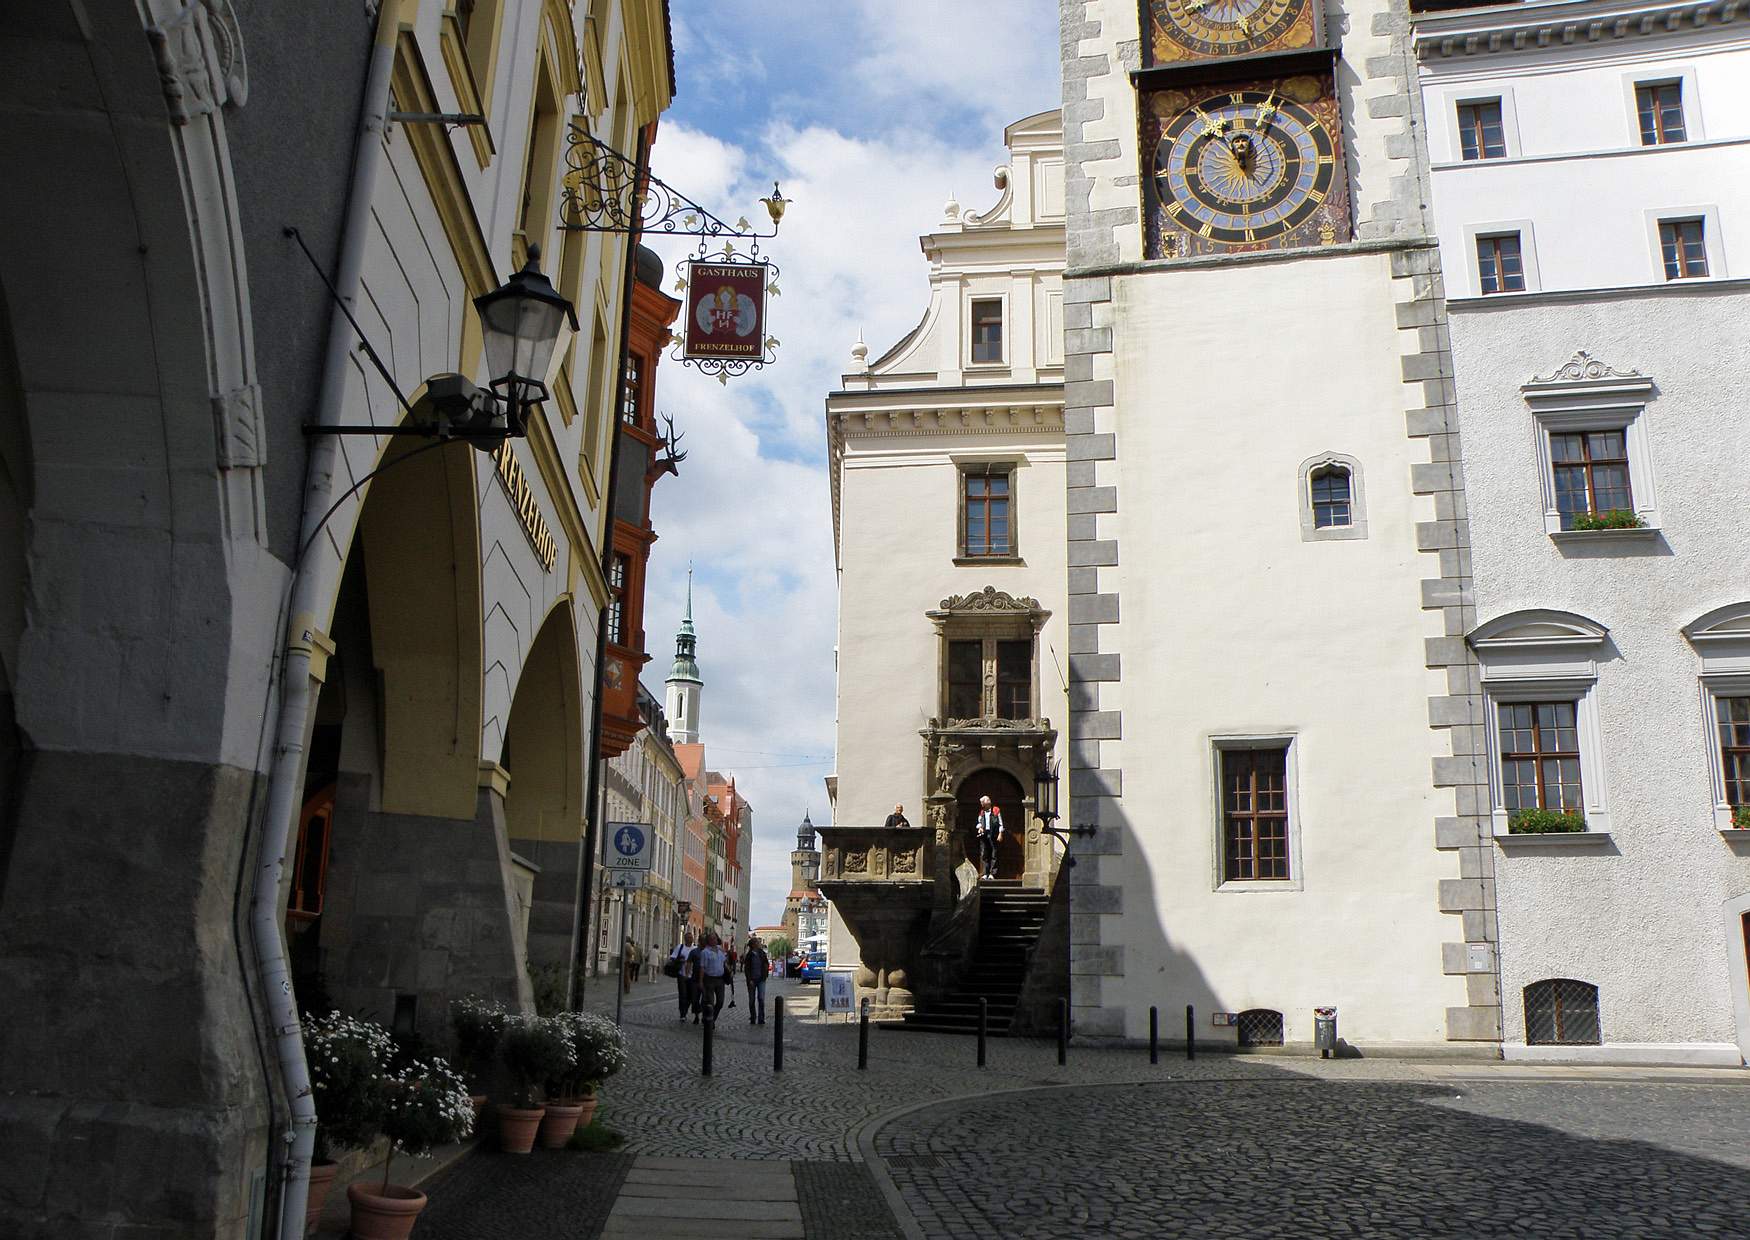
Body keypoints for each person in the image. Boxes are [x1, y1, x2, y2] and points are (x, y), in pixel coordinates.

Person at [697, 933, 727, 1022]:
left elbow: (724, 963)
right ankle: (709, 1020)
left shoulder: (721, 950)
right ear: (708, 941)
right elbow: (702, 968)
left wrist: (729, 971)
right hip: (709, 979)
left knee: (720, 1002)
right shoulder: (705, 952)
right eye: (712, 939)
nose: (714, 940)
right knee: (710, 1001)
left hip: (720, 979)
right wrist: (701, 981)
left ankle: (712, 1018)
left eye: (715, 939)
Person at [974, 795, 1004, 879]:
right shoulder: (982, 812)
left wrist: (1000, 834)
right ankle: (984, 873)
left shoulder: (996, 810)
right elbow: (979, 822)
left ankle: (992, 873)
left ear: (988, 803)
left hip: (993, 834)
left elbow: (1000, 823)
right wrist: (980, 828)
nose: (982, 805)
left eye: (983, 803)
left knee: (994, 853)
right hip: (984, 835)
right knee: (984, 854)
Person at [744, 935, 770, 1025]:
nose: (759, 944)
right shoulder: (749, 955)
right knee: (751, 1000)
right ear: (754, 944)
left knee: (761, 999)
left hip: (761, 979)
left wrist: (765, 973)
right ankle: (753, 1017)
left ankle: (761, 1018)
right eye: (758, 942)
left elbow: (766, 963)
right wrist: (749, 979)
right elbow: (746, 969)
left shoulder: (762, 953)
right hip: (752, 980)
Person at [670, 936, 694, 1020]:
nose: (690, 939)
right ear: (685, 939)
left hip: (692, 976)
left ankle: (685, 1009)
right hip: (681, 974)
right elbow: (672, 957)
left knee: (690, 995)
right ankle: (682, 1014)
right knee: (683, 994)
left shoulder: (694, 948)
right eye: (689, 937)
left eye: (691, 937)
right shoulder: (680, 947)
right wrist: (680, 960)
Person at [725, 942, 738, 1010]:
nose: (733, 949)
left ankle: (732, 1000)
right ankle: (732, 1000)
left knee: (732, 987)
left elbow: (733, 963)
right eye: (733, 948)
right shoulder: (729, 954)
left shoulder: (732, 953)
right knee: (731, 986)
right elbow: (727, 962)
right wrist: (731, 970)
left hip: (730, 971)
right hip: (729, 972)